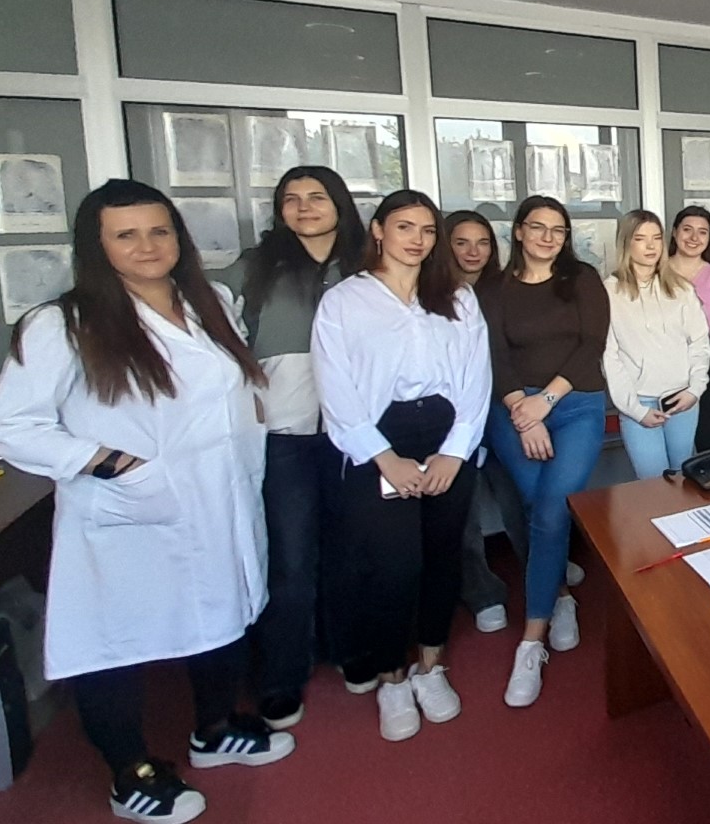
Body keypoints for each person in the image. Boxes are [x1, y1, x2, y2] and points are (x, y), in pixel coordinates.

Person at [0, 180, 293, 823]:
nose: (147, 246)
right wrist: (107, 463)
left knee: (223, 615)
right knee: (114, 640)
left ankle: (214, 730)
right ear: (96, 246)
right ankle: (130, 773)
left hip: (221, 497)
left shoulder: (209, 303)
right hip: (129, 510)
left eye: (159, 231)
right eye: (125, 235)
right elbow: (13, 427)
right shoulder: (63, 324)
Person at [312, 191, 491, 742]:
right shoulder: (344, 301)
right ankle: (391, 676)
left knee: (442, 556)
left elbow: (476, 379)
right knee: (392, 566)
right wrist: (384, 458)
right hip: (377, 442)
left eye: (427, 230)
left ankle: (431, 665)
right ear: (378, 230)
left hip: (446, 437)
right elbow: (335, 387)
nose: (417, 239)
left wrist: (456, 451)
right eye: (405, 227)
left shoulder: (457, 298)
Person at [214, 165, 364, 734]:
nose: (304, 207)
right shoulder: (253, 268)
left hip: (356, 433)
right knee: (292, 557)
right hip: (284, 435)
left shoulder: (366, 264)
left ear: (339, 204)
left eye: (317, 196)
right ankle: (282, 676)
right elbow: (208, 335)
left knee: (352, 548)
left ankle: (351, 648)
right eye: (291, 199)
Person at [476, 196, 609, 707]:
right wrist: (521, 408)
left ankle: (530, 642)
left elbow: (591, 344)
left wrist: (544, 403)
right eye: (538, 227)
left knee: (553, 509)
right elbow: (493, 354)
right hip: (512, 408)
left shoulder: (583, 279)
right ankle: (561, 596)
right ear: (518, 231)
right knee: (537, 507)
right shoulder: (493, 288)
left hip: (575, 405)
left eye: (558, 230)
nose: (548, 237)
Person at [442, 211, 533, 636]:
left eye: (482, 242)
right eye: (462, 242)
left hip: (504, 410)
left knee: (521, 495)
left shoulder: (506, 289)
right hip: (456, 419)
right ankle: (482, 592)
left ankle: (543, 565)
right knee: (464, 512)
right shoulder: (434, 294)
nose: (473, 251)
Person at [603, 209, 710, 479]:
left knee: (685, 480)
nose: (651, 246)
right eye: (640, 239)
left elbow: (699, 342)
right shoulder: (609, 292)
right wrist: (635, 409)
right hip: (640, 402)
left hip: (682, 398)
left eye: (656, 238)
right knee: (653, 485)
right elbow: (609, 357)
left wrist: (695, 390)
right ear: (626, 243)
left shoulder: (681, 288)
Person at [667, 206, 710, 451]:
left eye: (702, 232)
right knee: (673, 449)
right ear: (675, 232)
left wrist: (692, 297)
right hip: (662, 365)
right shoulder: (656, 270)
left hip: (702, 362)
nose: (694, 238)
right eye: (687, 230)